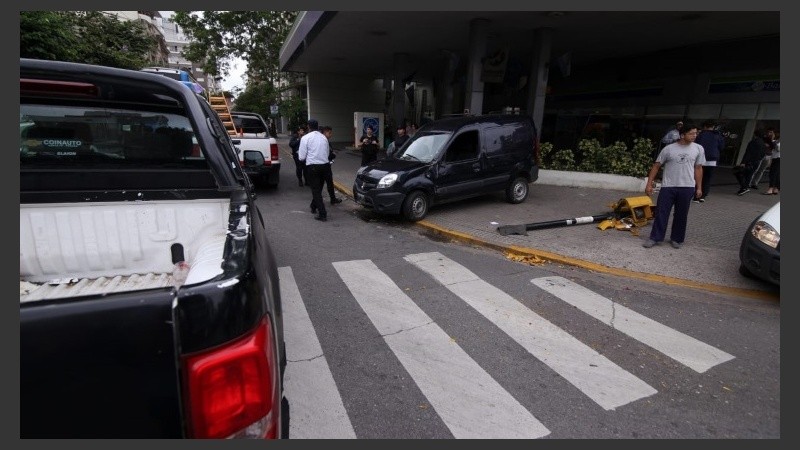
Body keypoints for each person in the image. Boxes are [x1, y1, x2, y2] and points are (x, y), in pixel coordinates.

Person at [642, 123, 705, 249]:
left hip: (687, 187)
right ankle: (655, 237)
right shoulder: (669, 149)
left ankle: (677, 239)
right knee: (661, 213)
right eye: (691, 133)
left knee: (681, 214)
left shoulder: (698, 148)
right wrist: (649, 184)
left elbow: (698, 168)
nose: (694, 136)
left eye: (696, 133)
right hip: (668, 186)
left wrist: (699, 187)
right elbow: (656, 166)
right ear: (682, 135)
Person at [298, 119, 331, 221]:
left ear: (308, 127)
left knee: (316, 190)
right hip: (325, 165)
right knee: (319, 188)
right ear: (317, 126)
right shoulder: (324, 137)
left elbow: (301, 157)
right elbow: (327, 153)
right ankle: (313, 206)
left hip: (313, 166)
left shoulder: (305, 138)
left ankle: (322, 214)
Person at [692, 120, 725, 203]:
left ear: (705, 127)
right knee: (707, 178)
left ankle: (696, 196)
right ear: (713, 127)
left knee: (698, 177)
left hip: (700, 159)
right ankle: (703, 196)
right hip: (712, 160)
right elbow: (721, 147)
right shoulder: (718, 135)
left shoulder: (700, 135)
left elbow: (695, 145)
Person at [735, 129, 767, 196]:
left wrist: (743, 162)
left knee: (738, 172)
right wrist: (758, 159)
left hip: (749, 161)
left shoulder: (753, 142)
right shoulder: (763, 144)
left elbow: (748, 153)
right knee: (749, 175)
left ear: (755, 134)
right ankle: (744, 188)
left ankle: (744, 188)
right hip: (757, 162)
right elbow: (764, 154)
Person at [320, 125, 343, 204]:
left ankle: (333, 199)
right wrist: (333, 155)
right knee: (320, 185)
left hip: (326, 165)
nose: (331, 135)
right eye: (329, 133)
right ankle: (315, 204)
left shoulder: (326, 141)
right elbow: (326, 155)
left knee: (329, 183)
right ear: (324, 132)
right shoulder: (323, 141)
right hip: (323, 166)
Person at [764, 129, 780, 195]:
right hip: (775, 158)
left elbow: (778, 149)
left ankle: (771, 189)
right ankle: (776, 188)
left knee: (773, 174)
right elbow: (770, 146)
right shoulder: (775, 141)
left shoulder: (777, 142)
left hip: (778, 158)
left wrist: (773, 141)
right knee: (776, 174)